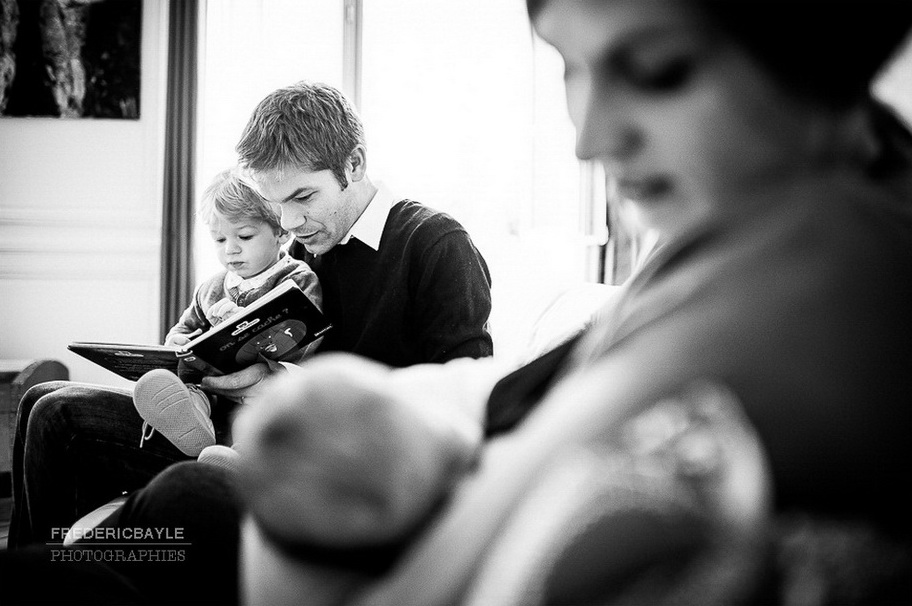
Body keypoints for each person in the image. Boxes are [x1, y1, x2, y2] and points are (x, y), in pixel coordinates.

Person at [4, 1, 912, 604]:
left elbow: (484, 423)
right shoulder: (720, 247)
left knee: (178, 504)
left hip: (373, 494)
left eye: (664, 68)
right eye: (570, 67)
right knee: (64, 424)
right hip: (345, 454)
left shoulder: (823, 261)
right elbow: (494, 404)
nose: (590, 132)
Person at [7, 81, 493, 550]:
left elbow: (468, 404)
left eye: (302, 197)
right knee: (44, 402)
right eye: (275, 205)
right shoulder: (305, 245)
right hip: (235, 428)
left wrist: (294, 389)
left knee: (61, 419)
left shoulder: (434, 245)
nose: (289, 224)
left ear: (356, 163)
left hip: (328, 463)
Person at [132, 166, 322, 458]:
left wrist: (242, 324)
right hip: (212, 387)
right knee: (191, 390)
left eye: (244, 237)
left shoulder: (295, 279)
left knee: (271, 412)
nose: (230, 250)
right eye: (220, 240)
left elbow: (306, 341)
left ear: (281, 232)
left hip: (263, 391)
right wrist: (178, 342)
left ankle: (240, 459)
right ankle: (193, 424)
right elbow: (183, 328)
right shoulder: (211, 287)